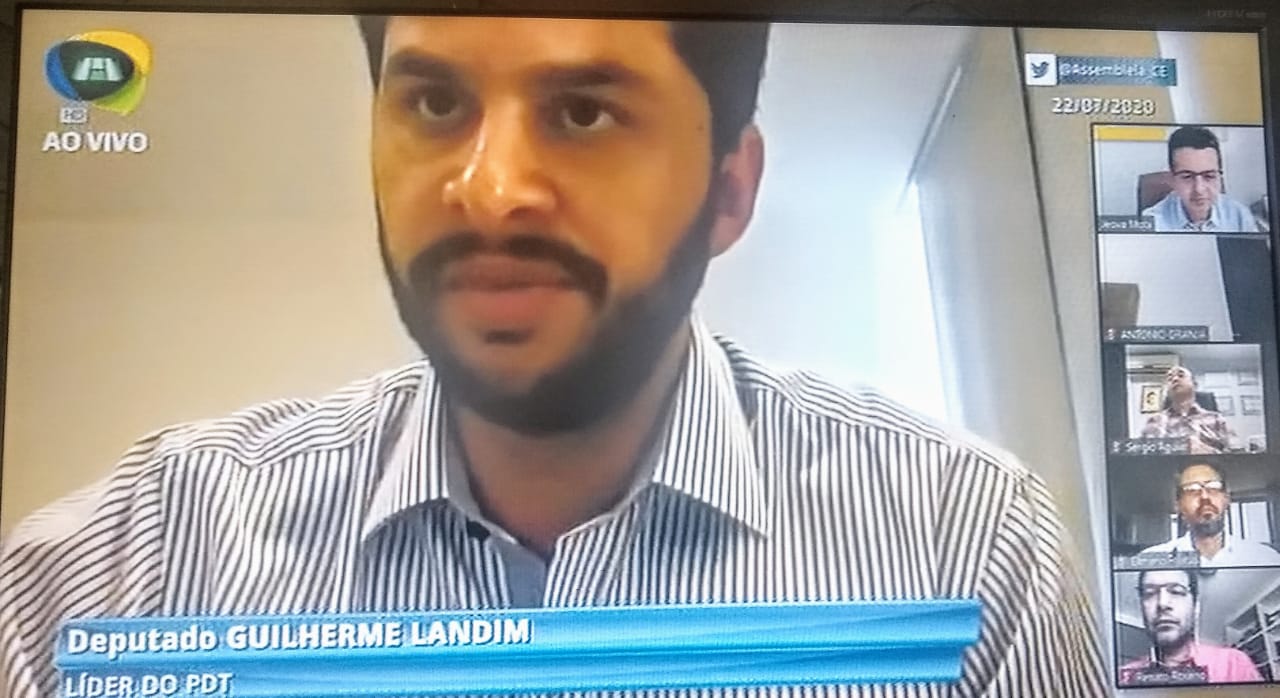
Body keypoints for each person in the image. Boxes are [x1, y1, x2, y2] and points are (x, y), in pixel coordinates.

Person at [0, 16, 1107, 697]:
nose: (487, 191)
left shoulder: (967, 548)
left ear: (729, 190)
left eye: (581, 113)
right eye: (435, 101)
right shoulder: (136, 560)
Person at [1118, 569, 1263, 685]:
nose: (1162, 603)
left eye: (1176, 591)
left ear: (1196, 607)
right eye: (1149, 593)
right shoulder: (1124, 678)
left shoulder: (1233, 663)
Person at [1139, 463, 1280, 567]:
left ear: (1226, 499)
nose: (1204, 497)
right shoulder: (1150, 560)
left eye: (1213, 487)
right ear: (1178, 505)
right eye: (1192, 489)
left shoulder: (1266, 558)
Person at [1141, 126, 1259, 233]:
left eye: (1209, 176)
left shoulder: (1239, 215)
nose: (1199, 189)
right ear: (1172, 179)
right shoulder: (1151, 222)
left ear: (1220, 177)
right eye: (1187, 177)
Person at [1140, 366, 1236, 453]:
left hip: (1207, 466)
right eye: (1170, 378)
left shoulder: (1217, 420)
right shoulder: (1154, 421)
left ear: (1194, 384)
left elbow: (1237, 456)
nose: (1175, 379)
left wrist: (1209, 451)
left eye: (1181, 375)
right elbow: (1143, 457)